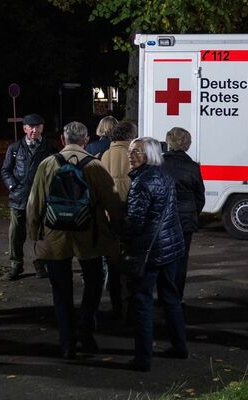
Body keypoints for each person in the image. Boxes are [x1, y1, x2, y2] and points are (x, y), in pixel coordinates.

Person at [26, 121, 122, 359]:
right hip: (90, 235)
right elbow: (112, 202)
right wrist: (115, 233)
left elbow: (34, 204)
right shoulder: (95, 166)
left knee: (61, 290)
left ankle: (67, 343)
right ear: (86, 140)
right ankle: (86, 330)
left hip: (54, 234)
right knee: (93, 283)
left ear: (62, 140)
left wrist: (34, 237)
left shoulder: (47, 165)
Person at [124, 136, 188, 372]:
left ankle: (142, 358)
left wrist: (120, 232)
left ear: (149, 154)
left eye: (137, 151)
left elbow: (134, 222)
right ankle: (180, 347)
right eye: (130, 151)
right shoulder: (165, 175)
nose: (131, 155)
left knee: (142, 302)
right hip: (171, 247)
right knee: (170, 298)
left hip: (149, 251)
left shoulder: (141, 182)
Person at [0, 113, 57, 280]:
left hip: (42, 197)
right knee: (16, 232)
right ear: (24, 128)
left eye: (37, 126)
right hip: (19, 197)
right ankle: (15, 265)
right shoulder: (15, 148)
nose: (34, 130)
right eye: (31, 127)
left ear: (42, 128)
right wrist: (13, 186)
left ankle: (41, 263)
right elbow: (5, 170)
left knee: (41, 232)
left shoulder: (49, 148)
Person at [161, 127, 206, 302]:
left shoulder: (160, 164)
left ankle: (163, 294)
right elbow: (199, 197)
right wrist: (193, 213)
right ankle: (176, 296)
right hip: (185, 220)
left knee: (163, 257)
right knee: (181, 259)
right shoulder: (193, 167)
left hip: (163, 218)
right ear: (187, 144)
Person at [99, 120, 137, 318]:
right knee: (129, 262)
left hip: (108, 215)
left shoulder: (104, 155)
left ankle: (115, 305)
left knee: (112, 260)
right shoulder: (134, 154)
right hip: (128, 215)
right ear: (129, 136)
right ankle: (129, 307)